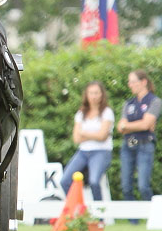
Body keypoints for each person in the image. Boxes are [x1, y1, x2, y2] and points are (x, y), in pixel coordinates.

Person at [60, 81, 114, 201]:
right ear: (87, 95)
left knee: (94, 181)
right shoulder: (81, 113)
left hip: (101, 151)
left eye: (96, 93)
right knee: (65, 180)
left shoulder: (107, 112)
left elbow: (102, 136)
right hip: (83, 152)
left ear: (102, 95)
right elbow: (76, 138)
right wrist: (94, 134)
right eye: (91, 93)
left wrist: (84, 133)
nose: (94, 96)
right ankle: (77, 207)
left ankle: (99, 210)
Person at [116, 69, 161, 209]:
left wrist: (127, 126)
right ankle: (132, 218)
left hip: (145, 145)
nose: (130, 85)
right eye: (129, 82)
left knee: (143, 186)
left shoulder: (155, 101)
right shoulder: (128, 103)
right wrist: (139, 125)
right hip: (128, 144)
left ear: (143, 82)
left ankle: (152, 215)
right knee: (126, 186)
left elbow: (145, 124)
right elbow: (120, 127)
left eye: (133, 82)